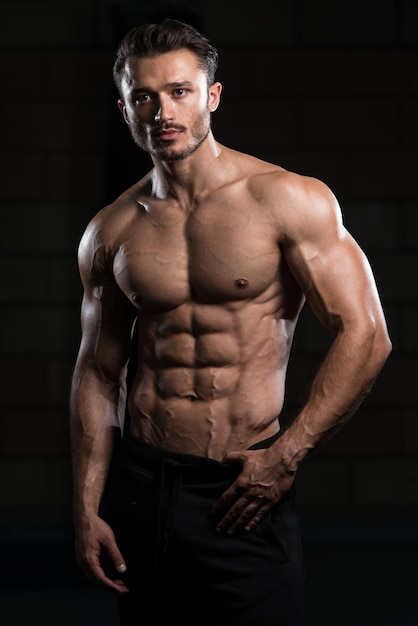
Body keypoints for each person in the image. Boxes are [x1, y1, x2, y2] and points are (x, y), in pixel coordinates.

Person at [69, 17, 392, 626]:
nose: (161, 111)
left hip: (241, 484)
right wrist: (87, 506)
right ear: (125, 107)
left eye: (179, 91)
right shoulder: (111, 229)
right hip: (143, 484)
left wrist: (287, 454)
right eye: (144, 96)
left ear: (212, 96)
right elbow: (97, 371)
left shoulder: (287, 200)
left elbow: (367, 333)